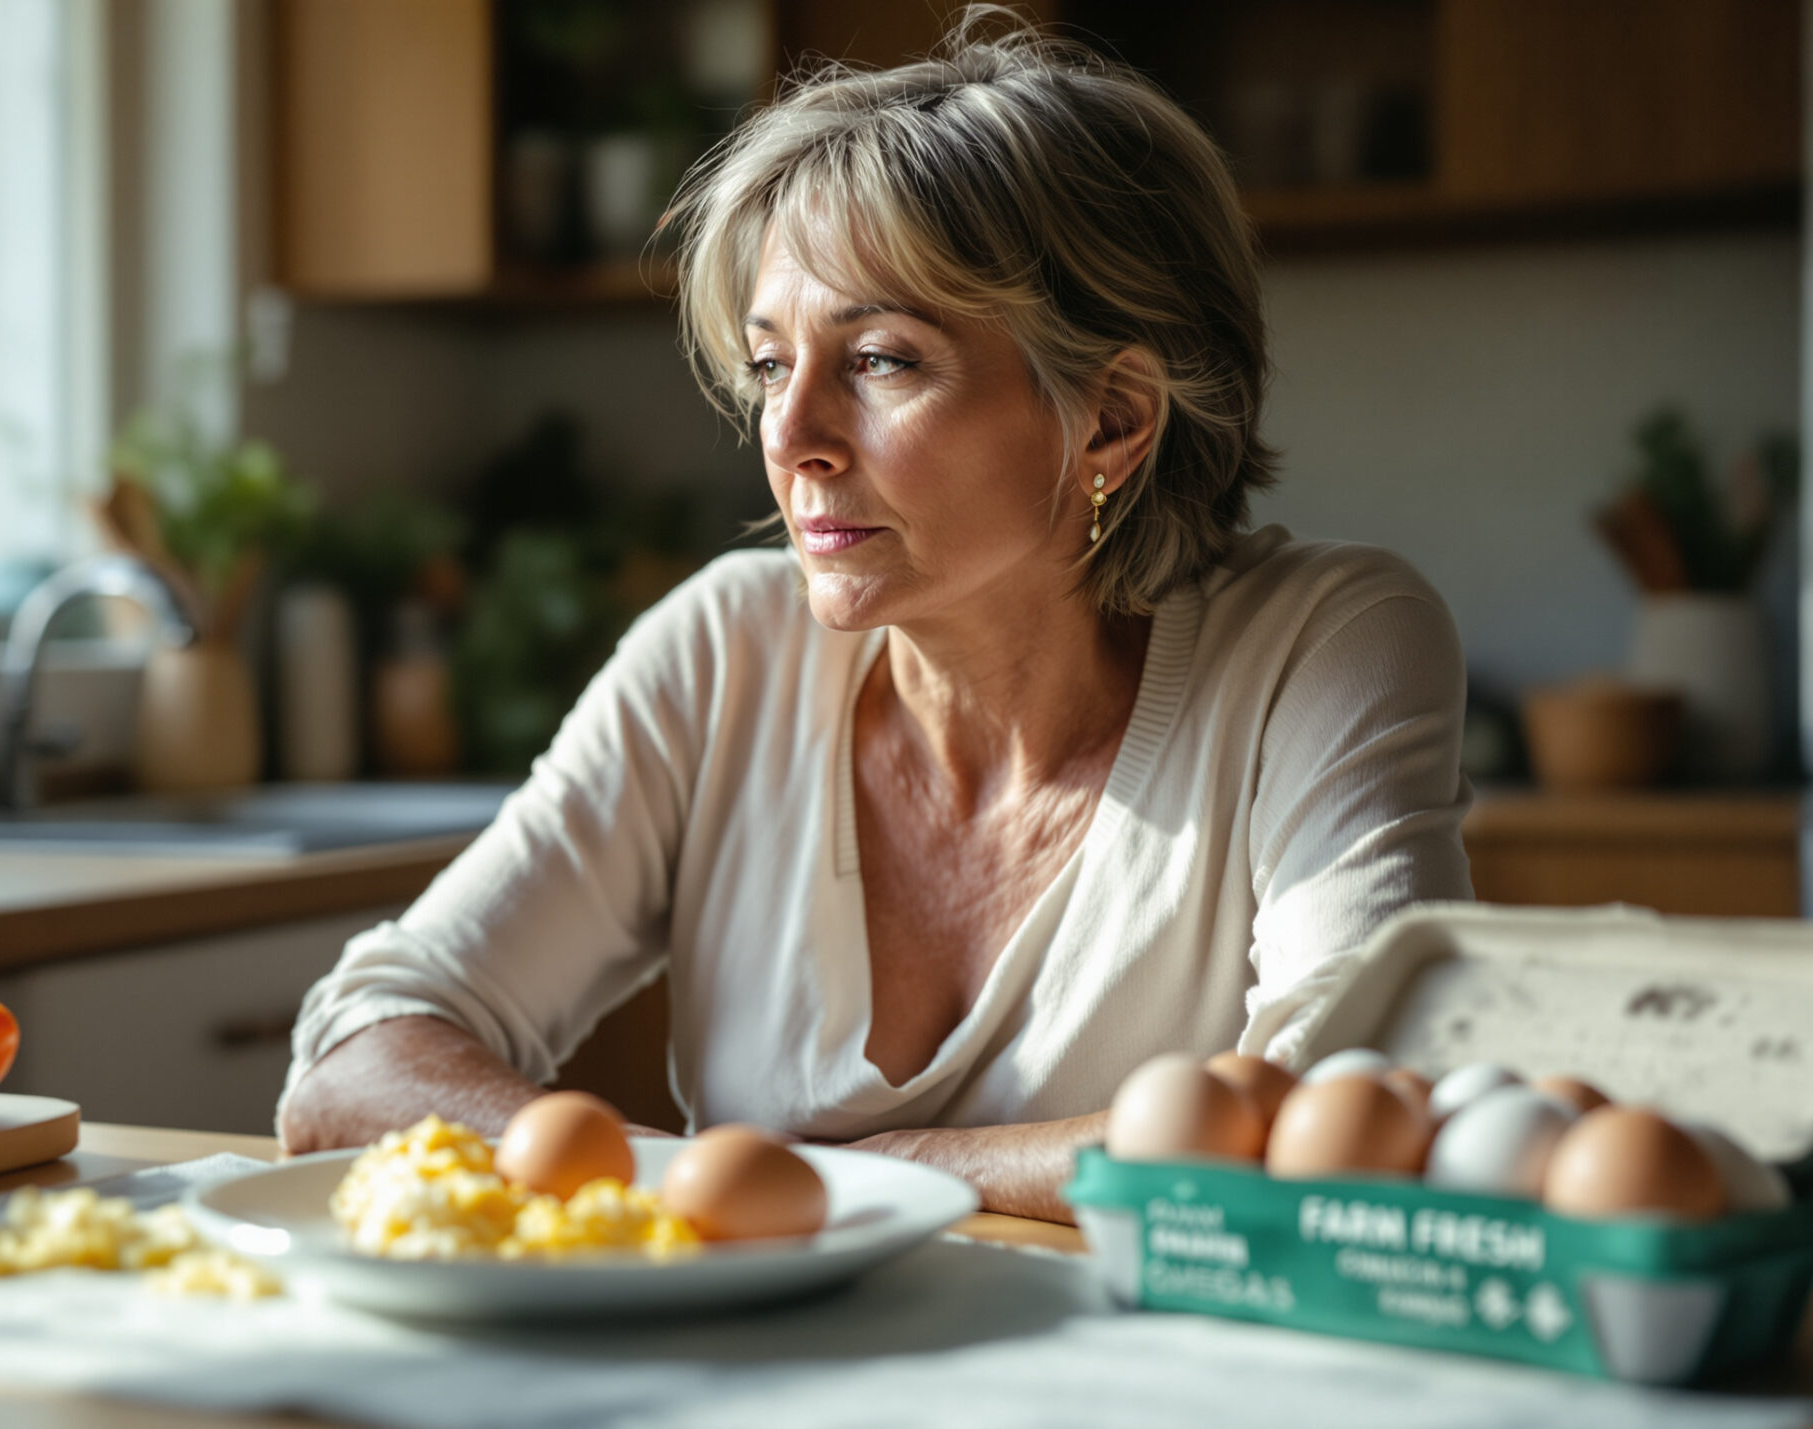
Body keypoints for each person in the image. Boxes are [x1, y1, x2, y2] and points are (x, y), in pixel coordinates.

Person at [278, 19, 1471, 1219]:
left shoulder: (1323, 643)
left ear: (1109, 419)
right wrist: (686, 1186)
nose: (790, 437)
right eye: (766, 366)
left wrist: (872, 1179)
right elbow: (356, 1059)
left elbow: (1358, 1115)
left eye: (883, 360)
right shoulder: (723, 654)